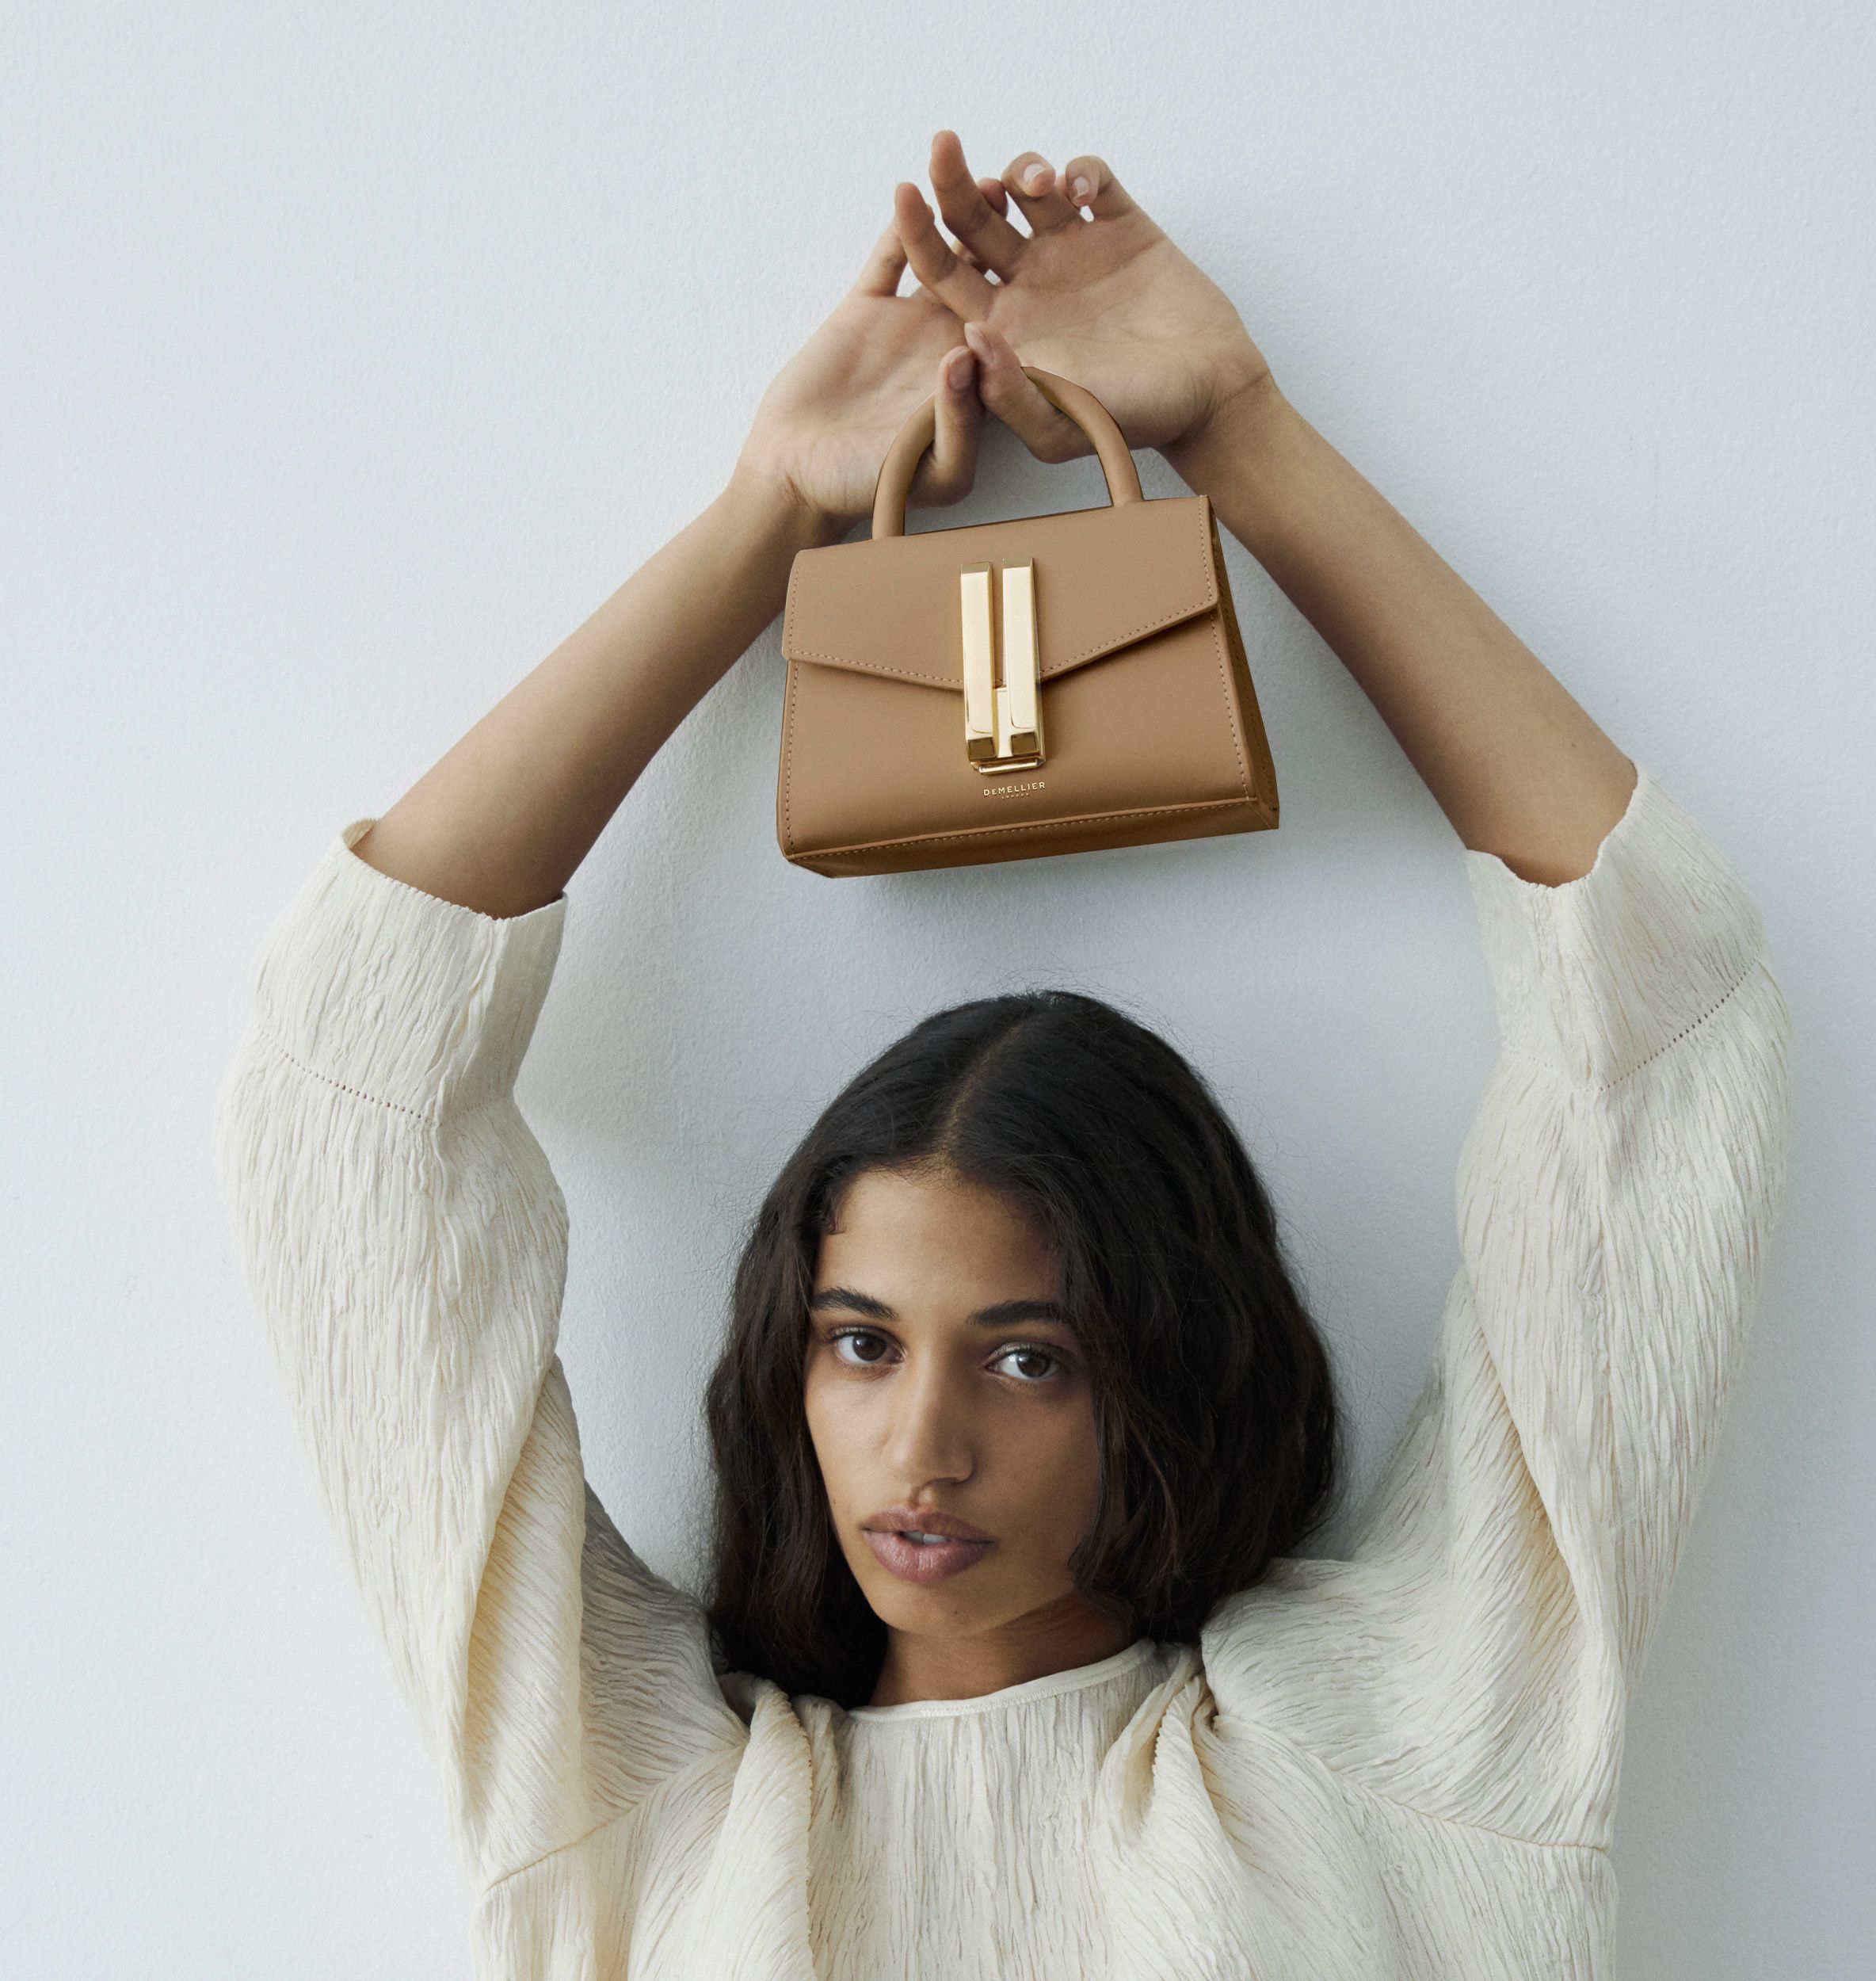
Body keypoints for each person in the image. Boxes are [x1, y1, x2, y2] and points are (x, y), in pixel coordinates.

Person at [215, 132, 1792, 1981]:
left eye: (1029, 1354)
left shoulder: (1408, 1748)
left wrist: (1236, 434)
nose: (922, 1446)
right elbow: (351, 1092)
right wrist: (761, 519)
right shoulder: (638, 1802)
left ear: (1167, 1371)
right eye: (860, 1339)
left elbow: (1660, 1044)